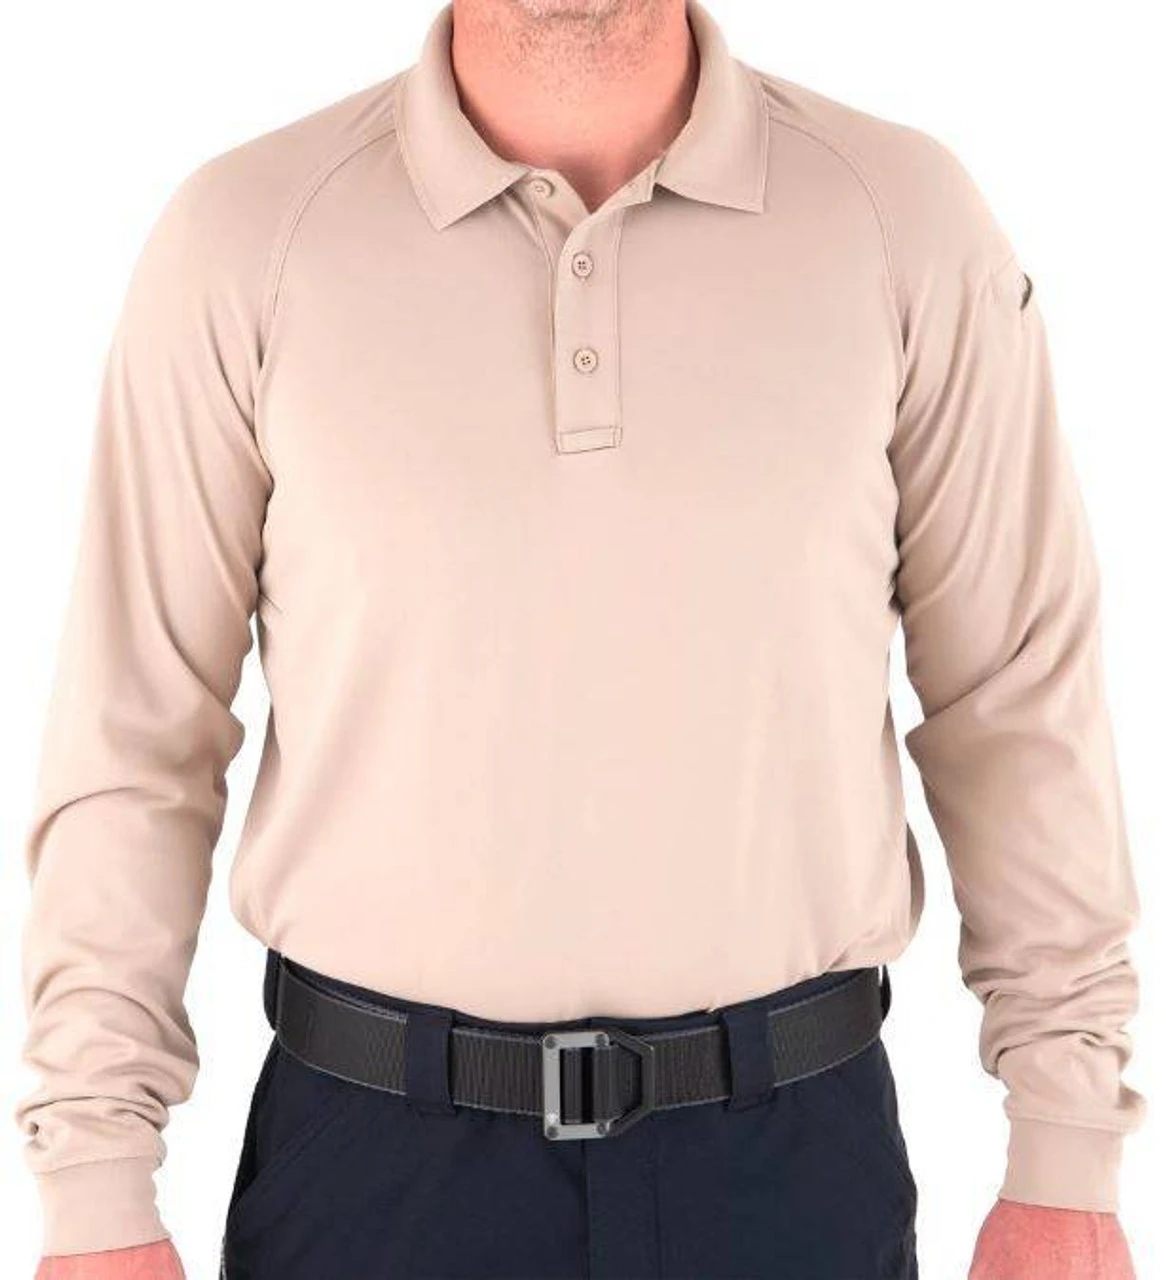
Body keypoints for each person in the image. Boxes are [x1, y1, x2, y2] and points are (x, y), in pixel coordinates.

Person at [17, 2, 1144, 1277]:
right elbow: (137, 735)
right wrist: (95, 1182)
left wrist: (1064, 1146)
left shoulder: (901, 222)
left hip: (787, 1171)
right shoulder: (244, 241)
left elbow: (1013, 699)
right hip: (374, 1174)